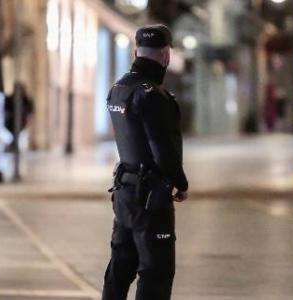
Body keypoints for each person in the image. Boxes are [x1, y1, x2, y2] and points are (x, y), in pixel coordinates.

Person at [103, 24, 188, 300]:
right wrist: (180, 182)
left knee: (120, 268)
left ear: (136, 51)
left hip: (124, 191)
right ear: (166, 56)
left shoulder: (119, 89)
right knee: (156, 273)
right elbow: (162, 150)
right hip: (151, 198)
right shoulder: (153, 95)